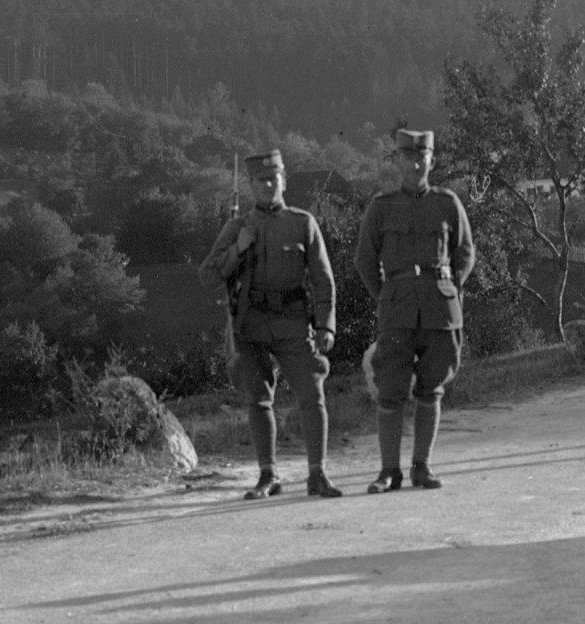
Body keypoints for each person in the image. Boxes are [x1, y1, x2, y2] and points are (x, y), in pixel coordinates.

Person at [198, 149, 340, 499]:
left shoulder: (303, 223)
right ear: (251, 185)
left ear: (284, 179)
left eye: (274, 177)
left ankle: (317, 474)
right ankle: (268, 475)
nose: (268, 184)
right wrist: (238, 250)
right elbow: (207, 276)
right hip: (252, 325)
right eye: (261, 180)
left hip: (292, 321)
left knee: (312, 394)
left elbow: (324, 280)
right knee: (259, 400)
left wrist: (326, 326)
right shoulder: (237, 228)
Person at [354, 127, 476, 493]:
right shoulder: (381, 206)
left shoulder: (448, 202)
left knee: (432, 387)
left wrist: (449, 287)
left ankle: (422, 467)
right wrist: (387, 294)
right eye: (408, 157)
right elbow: (364, 260)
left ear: (431, 161)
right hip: (397, 310)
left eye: (421, 156)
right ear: (398, 161)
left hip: (440, 308)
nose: (415, 163)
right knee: (390, 389)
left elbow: (465, 252)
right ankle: (389, 471)